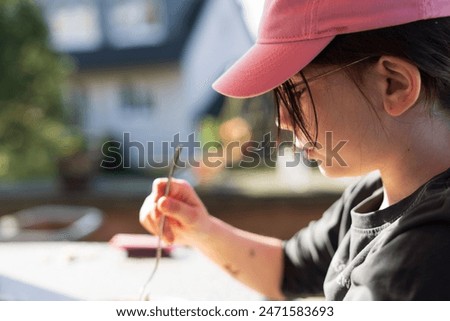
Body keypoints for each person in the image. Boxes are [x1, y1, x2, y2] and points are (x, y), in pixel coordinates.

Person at [140, 0, 450, 300]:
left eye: (297, 91)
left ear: (392, 83)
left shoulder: (424, 254)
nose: (282, 119)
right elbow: (287, 271)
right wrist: (200, 230)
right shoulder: (376, 192)